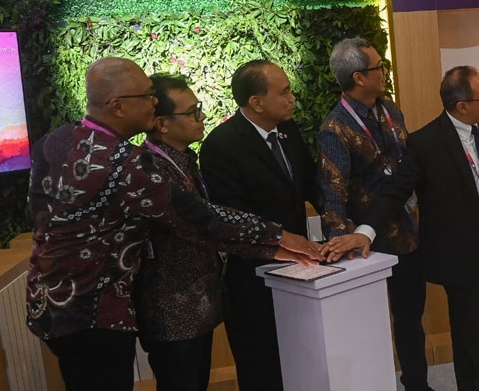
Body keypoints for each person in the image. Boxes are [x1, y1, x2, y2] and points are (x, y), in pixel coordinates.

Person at [25, 57, 323, 391]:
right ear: (117, 106)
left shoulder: (55, 140)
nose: (154, 103)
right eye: (146, 96)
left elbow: (38, 216)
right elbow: (201, 218)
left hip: (49, 305)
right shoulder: (127, 164)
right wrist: (279, 237)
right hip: (95, 314)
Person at [327, 65, 479, 391]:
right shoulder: (426, 143)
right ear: (461, 105)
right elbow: (394, 191)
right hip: (460, 252)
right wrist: (365, 231)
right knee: (468, 335)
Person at [136, 73, 310, 391]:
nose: (202, 116)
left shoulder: (183, 160)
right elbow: (210, 221)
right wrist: (278, 238)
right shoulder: (151, 169)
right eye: (193, 111)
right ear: (162, 124)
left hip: (197, 307)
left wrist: (278, 247)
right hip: (173, 312)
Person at [199, 59, 322, 391]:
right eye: (284, 92)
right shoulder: (221, 145)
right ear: (256, 102)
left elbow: (312, 184)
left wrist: (341, 223)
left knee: (302, 362)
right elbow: (232, 216)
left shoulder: (289, 131)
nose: (292, 98)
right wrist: (281, 241)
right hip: (253, 278)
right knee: (262, 368)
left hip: (299, 270)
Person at [318, 38, 433, 391]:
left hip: (409, 233)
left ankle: (417, 384)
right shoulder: (335, 129)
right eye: (378, 67)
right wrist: (341, 245)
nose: (385, 72)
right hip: (368, 243)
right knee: (369, 325)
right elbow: (332, 192)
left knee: (411, 319)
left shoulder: (390, 110)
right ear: (358, 77)